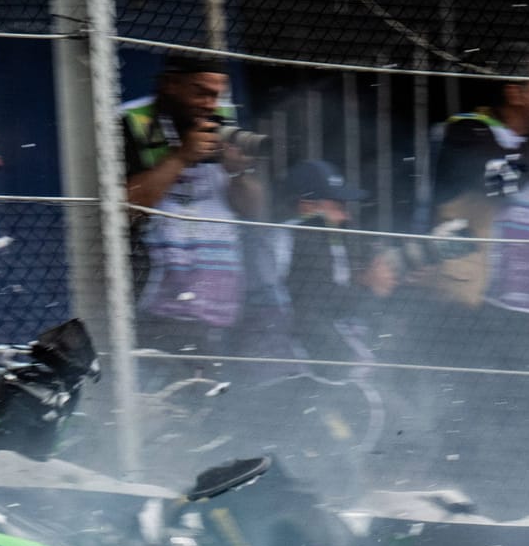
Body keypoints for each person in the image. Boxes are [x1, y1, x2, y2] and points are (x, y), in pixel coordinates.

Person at [425, 43, 529, 515]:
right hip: (491, 304)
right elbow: (498, 182)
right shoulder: (469, 131)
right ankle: (491, 512)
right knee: (497, 411)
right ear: (515, 92)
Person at [120, 54, 266, 372]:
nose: (210, 104)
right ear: (170, 84)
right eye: (201, 92)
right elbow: (124, 208)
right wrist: (181, 157)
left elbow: (253, 209)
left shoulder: (222, 122)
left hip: (221, 307)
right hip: (155, 307)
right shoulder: (131, 122)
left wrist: (238, 172)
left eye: (217, 95)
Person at [274, 159, 371, 365]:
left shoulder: (331, 239)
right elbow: (306, 308)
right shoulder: (294, 237)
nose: (345, 216)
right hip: (300, 356)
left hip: (330, 347)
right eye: (338, 206)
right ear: (307, 206)